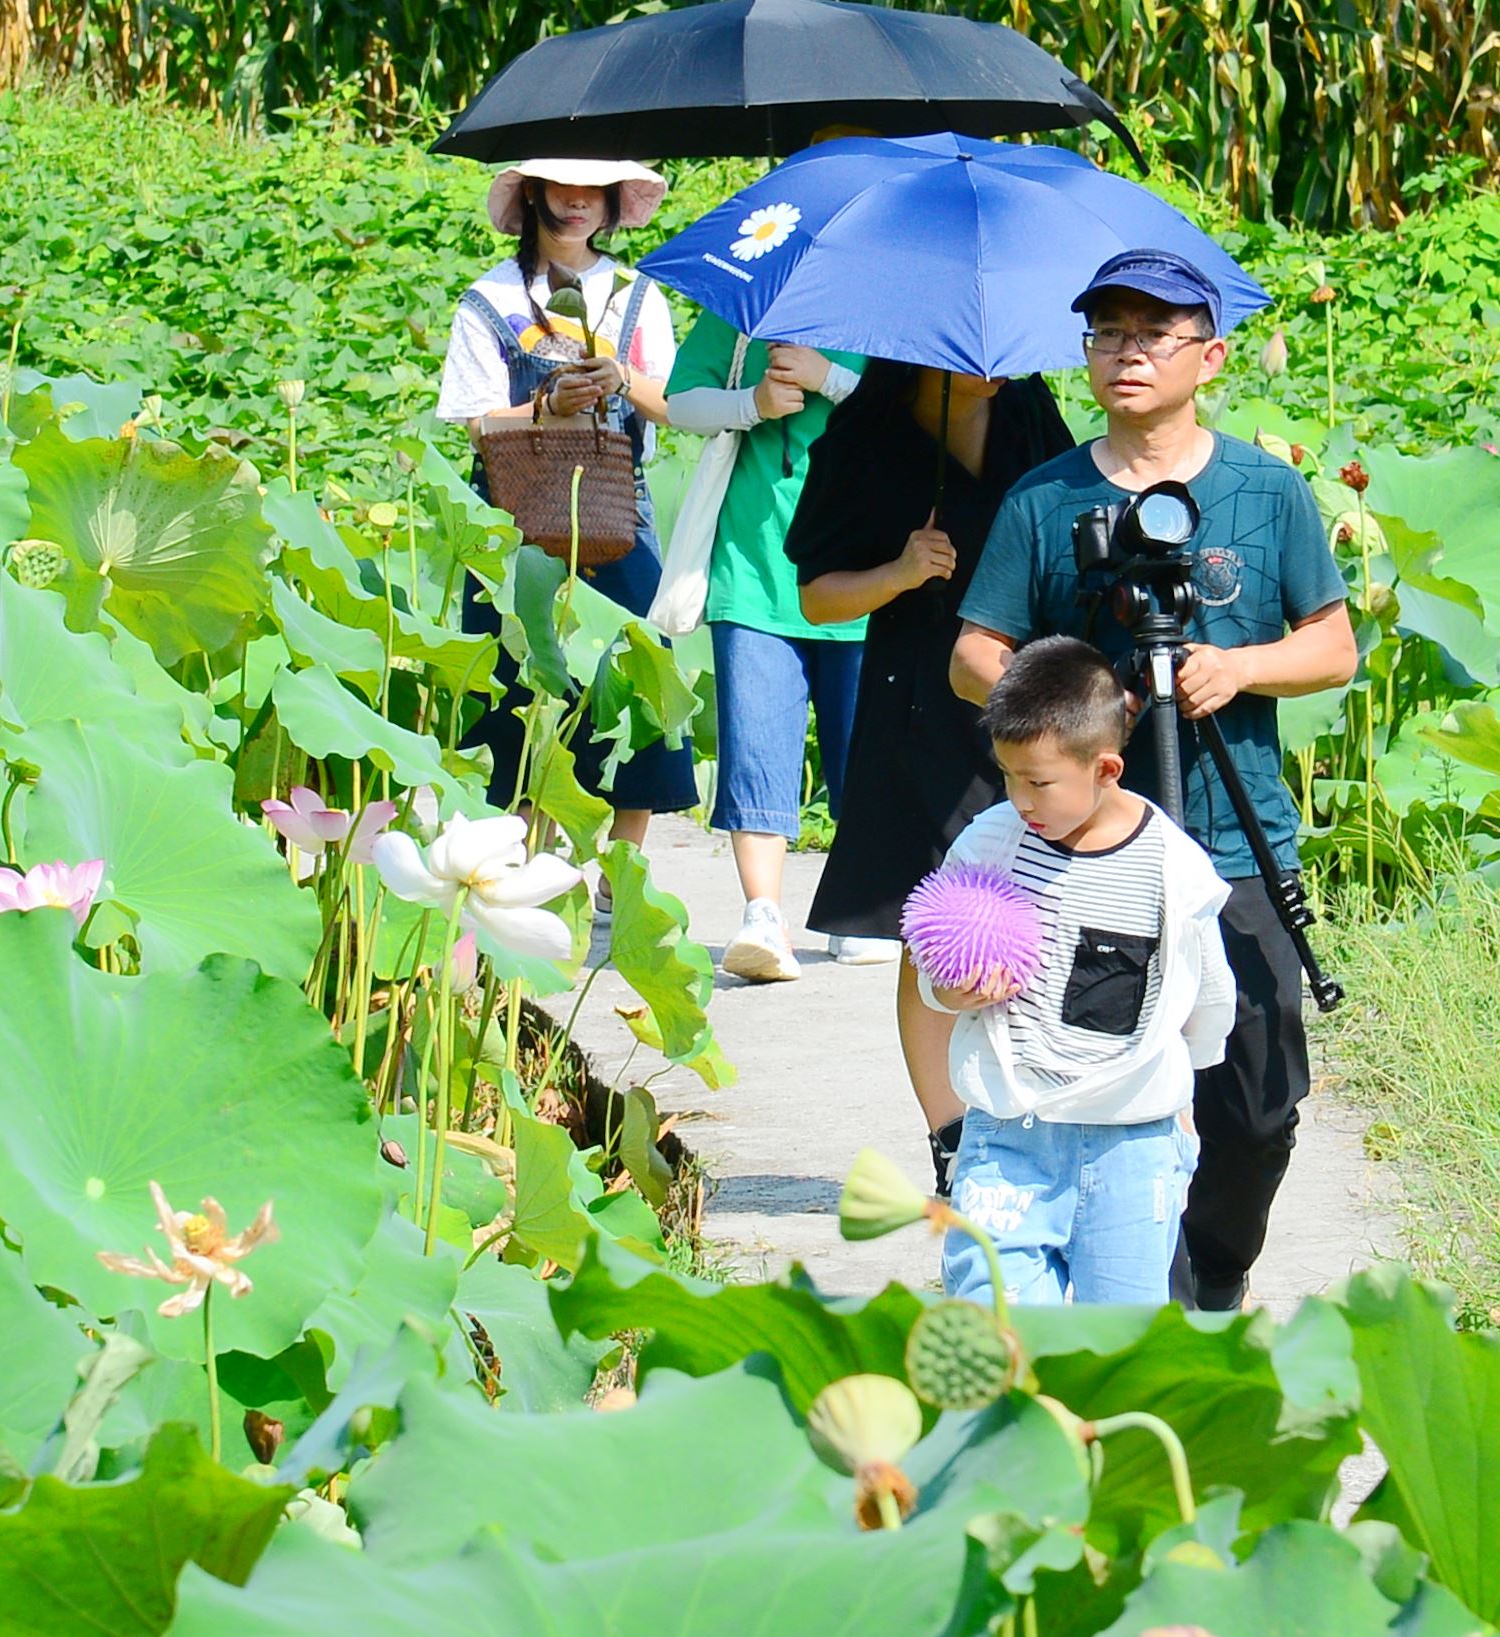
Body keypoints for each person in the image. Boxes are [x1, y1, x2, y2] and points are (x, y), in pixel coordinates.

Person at [952, 251, 1356, 1309]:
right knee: (1090, 1072)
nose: (1126, 353)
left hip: (1234, 831)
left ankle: (1213, 1274)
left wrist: (1240, 666)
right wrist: (1075, 712)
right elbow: (972, 654)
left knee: (1258, 1103)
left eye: (1152, 334)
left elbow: (1333, 646)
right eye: (1107, 333)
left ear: (1208, 357)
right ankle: (1127, 1301)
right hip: (1081, 849)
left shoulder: (1265, 491)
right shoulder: (1046, 497)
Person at [787, 357, 1077, 1182]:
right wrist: (901, 571)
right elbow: (817, 596)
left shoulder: (1027, 411)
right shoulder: (863, 436)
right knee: (936, 920)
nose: (994, 371)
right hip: (915, 700)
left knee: (1048, 895)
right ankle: (951, 1138)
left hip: (1025, 691)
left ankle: (1045, 1110)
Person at [916, 637, 1233, 1308]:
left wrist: (1182, 1102)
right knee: (997, 1323)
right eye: (1007, 775)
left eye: (1038, 782)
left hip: (1132, 1141)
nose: (1020, 799)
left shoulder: (1174, 870)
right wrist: (950, 990)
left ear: (1106, 769)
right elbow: (932, 966)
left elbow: (1207, 1000)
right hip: (1010, 1134)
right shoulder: (989, 844)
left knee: (1118, 1338)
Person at [433, 157, 697, 861]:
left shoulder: (638, 295)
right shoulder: (490, 298)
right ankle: (525, 866)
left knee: (640, 682)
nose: (578, 200)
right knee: (517, 693)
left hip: (617, 511)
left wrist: (621, 378)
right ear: (534, 193)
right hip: (514, 519)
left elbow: (674, 405)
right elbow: (477, 424)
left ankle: (619, 873)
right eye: (562, 185)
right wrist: (547, 405)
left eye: (593, 189)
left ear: (612, 201)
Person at [659, 302, 865, 983]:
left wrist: (827, 377)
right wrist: (753, 403)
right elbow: (681, 403)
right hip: (752, 568)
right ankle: (763, 914)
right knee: (755, 742)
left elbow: (914, 417)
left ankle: (857, 909)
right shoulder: (747, 311)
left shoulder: (881, 310)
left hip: (865, 573)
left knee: (864, 749)